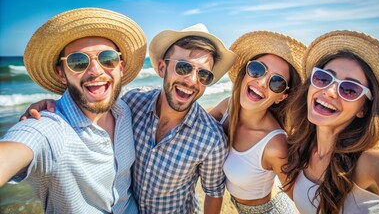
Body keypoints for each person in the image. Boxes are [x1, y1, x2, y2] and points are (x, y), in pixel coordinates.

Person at [18, 23, 236, 213]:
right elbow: (93, 100)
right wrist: (53, 106)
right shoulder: (131, 103)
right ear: (162, 67)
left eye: (203, 74)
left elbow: (214, 193)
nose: (191, 80)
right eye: (183, 67)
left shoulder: (212, 140)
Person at [0, 7, 146, 213]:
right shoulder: (48, 128)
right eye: (78, 61)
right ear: (61, 74)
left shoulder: (126, 108)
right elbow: (17, 147)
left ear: (120, 67)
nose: (96, 71)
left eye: (107, 59)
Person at [281, 30, 379, 213]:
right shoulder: (300, 146)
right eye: (323, 78)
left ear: (363, 109)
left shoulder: (374, 162)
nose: (329, 91)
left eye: (349, 89)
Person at [209, 31, 305, 213]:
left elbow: (300, 199)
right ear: (245, 72)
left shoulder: (275, 145)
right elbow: (194, 121)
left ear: (281, 97)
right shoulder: (227, 107)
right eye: (258, 70)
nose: (261, 82)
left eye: (276, 82)